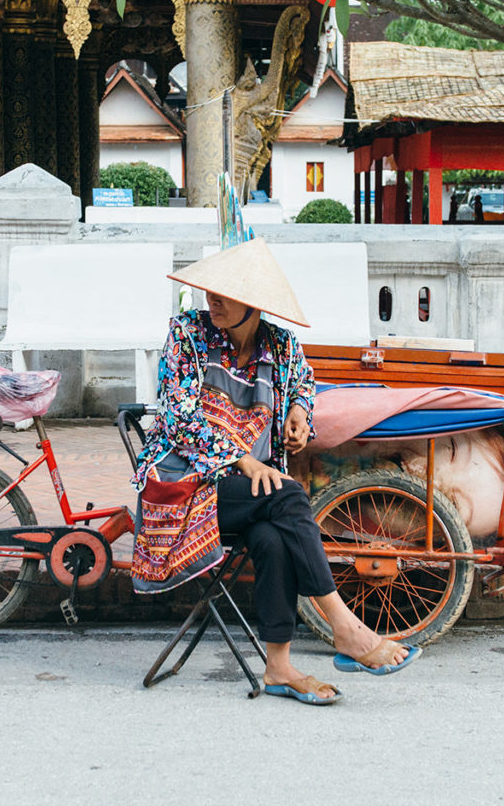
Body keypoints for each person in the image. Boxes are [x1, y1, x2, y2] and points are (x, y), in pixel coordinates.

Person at [137, 236, 420, 704]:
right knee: (288, 496)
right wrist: (242, 459)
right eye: (212, 291)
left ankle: (279, 667)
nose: (214, 300)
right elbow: (178, 416)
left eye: (227, 294)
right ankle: (346, 628)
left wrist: (300, 415)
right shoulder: (186, 335)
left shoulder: (282, 347)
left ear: (256, 305)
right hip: (183, 488)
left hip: (249, 493)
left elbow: (304, 386)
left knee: (273, 534)